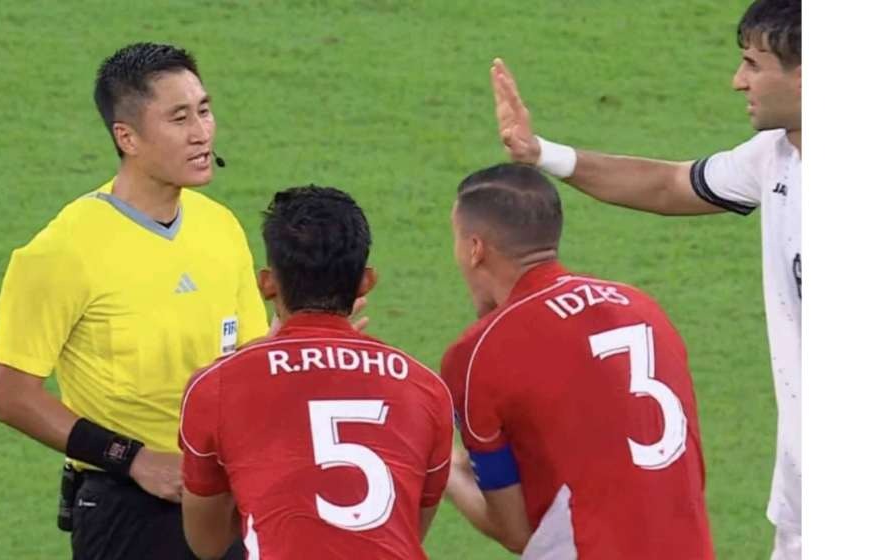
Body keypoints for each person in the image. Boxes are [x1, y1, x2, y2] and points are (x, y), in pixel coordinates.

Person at [489, 0, 800, 556]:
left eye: (754, 65)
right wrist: (543, 154)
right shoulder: (775, 158)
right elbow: (669, 185)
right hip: (803, 488)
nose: (738, 81)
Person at [0, 42, 267, 559]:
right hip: (126, 509)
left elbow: (244, 358)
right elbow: (12, 395)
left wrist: (304, 336)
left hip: (221, 499)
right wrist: (135, 459)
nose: (201, 132)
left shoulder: (220, 227)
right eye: (179, 118)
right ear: (127, 137)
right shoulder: (64, 250)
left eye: (204, 110)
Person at [441, 163, 714, 559]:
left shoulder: (477, 352)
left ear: (475, 249)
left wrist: (445, 470)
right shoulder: (642, 308)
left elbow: (514, 530)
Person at [179, 186, 455, 559]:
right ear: (366, 282)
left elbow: (207, 543)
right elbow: (407, 527)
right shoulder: (425, 388)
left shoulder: (216, 386)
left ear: (267, 284)